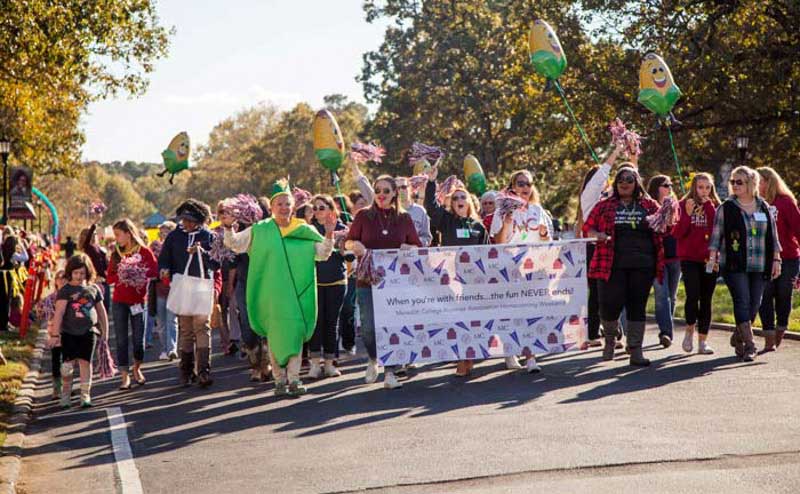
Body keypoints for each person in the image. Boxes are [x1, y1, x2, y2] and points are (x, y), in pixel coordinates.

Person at [222, 179, 335, 397]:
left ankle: (294, 379)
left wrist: (329, 233)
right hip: (271, 295)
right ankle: (279, 380)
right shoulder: (260, 230)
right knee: (275, 336)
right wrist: (228, 227)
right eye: (279, 204)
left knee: (294, 334)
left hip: (297, 295)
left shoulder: (304, 229)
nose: (284, 208)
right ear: (272, 207)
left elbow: (322, 253)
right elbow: (235, 244)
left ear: (293, 207)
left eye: (287, 204)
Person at [345, 175, 422, 389]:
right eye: (378, 190)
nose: (381, 194)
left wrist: (409, 249)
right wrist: (355, 246)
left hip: (395, 284)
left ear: (395, 193)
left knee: (392, 326)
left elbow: (417, 246)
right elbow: (349, 241)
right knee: (369, 327)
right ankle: (373, 359)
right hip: (367, 280)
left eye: (386, 191)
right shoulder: (363, 216)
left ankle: (390, 371)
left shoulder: (404, 218)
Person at [584, 165, 664, 366]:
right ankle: (610, 339)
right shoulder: (604, 205)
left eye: (629, 180)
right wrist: (597, 235)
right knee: (609, 305)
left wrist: (669, 216)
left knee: (637, 306)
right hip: (611, 264)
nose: (624, 183)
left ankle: (636, 350)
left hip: (643, 264)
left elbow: (665, 228)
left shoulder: (649, 205)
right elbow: (587, 227)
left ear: (637, 183)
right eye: (620, 180)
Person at [708, 166, 781, 362]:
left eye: (739, 182)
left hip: (760, 263)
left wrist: (776, 259)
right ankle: (750, 345)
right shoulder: (726, 207)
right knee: (742, 300)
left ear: (751, 183)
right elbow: (716, 236)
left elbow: (773, 237)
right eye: (732, 182)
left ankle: (737, 336)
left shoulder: (763, 206)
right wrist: (712, 259)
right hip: (734, 264)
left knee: (754, 303)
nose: (734, 185)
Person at [424, 165, 488, 376]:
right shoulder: (447, 221)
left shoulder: (479, 227)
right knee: (457, 319)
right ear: (452, 204)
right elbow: (431, 207)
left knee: (473, 320)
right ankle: (462, 357)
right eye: (456, 198)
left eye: (463, 197)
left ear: (469, 202)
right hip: (452, 280)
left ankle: (469, 357)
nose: (460, 199)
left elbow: (488, 254)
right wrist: (431, 182)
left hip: (474, 282)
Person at [490, 169, 553, 373]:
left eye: (528, 184)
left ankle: (531, 357)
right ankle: (510, 352)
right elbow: (498, 242)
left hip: (533, 270)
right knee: (511, 313)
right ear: (512, 187)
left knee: (531, 313)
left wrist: (543, 234)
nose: (525, 187)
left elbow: (547, 242)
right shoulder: (502, 212)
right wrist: (507, 222)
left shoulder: (538, 210)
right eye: (520, 183)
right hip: (509, 270)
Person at [158, 199, 218, 387]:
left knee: (202, 328)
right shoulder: (174, 237)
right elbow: (164, 259)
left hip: (202, 285)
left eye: (190, 220)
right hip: (182, 286)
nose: (186, 223)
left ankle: (203, 371)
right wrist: (164, 269)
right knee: (185, 330)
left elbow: (216, 264)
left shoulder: (208, 236)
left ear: (199, 220)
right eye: (184, 220)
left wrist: (201, 252)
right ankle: (185, 371)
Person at [576, 143, 627, 350]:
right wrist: (615, 151)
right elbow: (602, 174)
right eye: (602, 181)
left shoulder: (611, 199)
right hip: (594, 247)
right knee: (599, 292)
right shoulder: (589, 198)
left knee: (612, 291)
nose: (605, 183)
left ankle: (611, 332)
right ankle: (597, 332)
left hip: (613, 247)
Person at [50, 254, 109, 408]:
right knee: (68, 365)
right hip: (69, 333)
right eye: (75, 273)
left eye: (82, 273)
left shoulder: (93, 289)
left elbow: (101, 312)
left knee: (85, 363)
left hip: (88, 332)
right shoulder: (65, 290)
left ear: (88, 273)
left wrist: (105, 332)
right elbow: (59, 313)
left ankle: (85, 395)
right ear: (70, 272)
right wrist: (55, 335)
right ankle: (66, 394)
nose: (79, 276)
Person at [106, 219, 158, 390]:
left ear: (128, 233)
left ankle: (137, 368)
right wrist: (121, 274)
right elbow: (109, 278)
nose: (116, 239)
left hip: (138, 301)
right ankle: (124, 376)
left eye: (118, 235)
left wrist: (138, 272)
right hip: (119, 301)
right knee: (121, 340)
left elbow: (154, 271)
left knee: (138, 340)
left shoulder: (144, 251)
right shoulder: (116, 254)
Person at [673, 173, 721, 354]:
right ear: (694, 187)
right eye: (701, 187)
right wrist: (686, 214)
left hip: (710, 259)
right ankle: (689, 331)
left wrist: (709, 206)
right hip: (689, 258)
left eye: (708, 187)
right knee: (693, 295)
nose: (704, 191)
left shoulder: (715, 206)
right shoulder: (683, 204)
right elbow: (677, 233)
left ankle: (703, 341)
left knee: (706, 299)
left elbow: (716, 229)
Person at [756, 167, 800, 352]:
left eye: (759, 181)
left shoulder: (785, 202)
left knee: (783, 295)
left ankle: (781, 328)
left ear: (768, 181)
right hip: (763, 259)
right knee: (764, 297)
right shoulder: (754, 203)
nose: (756, 185)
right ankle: (768, 337)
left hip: (788, 258)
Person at [308, 194, 349, 379]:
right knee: (316, 323)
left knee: (332, 323)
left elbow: (349, 257)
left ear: (331, 210)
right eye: (314, 208)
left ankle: (330, 363)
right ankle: (315, 364)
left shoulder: (342, 229)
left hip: (336, 282)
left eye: (321, 207)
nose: (317, 211)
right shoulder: (309, 230)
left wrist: (344, 247)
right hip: (314, 282)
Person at [647, 175, 681, 348]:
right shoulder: (650, 207)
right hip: (657, 258)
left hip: (676, 257)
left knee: (672, 296)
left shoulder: (676, 206)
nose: (669, 187)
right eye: (665, 185)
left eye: (670, 184)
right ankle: (666, 333)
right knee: (662, 296)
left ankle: (666, 329)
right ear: (656, 188)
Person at [149, 221, 179, 361]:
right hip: (159, 289)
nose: (164, 234)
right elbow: (150, 266)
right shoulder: (154, 247)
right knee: (161, 322)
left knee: (171, 320)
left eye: (167, 231)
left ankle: (172, 348)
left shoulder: (176, 246)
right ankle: (164, 348)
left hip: (173, 288)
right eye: (162, 231)